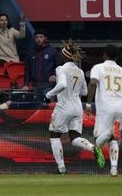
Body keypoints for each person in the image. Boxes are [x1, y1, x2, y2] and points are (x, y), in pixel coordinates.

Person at [46, 40, 105, 175]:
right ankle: (93, 148)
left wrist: (48, 95)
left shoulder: (60, 69)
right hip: (77, 107)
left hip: (64, 106)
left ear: (64, 56)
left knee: (54, 135)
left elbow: (62, 85)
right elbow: (84, 92)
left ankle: (61, 169)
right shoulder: (79, 71)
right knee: (74, 138)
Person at [86, 44, 122, 177]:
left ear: (104, 55)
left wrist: (88, 104)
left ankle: (111, 130)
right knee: (113, 140)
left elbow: (93, 83)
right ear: (117, 56)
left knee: (97, 141)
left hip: (105, 108)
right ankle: (113, 169)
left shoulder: (98, 67)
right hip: (120, 106)